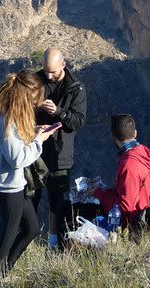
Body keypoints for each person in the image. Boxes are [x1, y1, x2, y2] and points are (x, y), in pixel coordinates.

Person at [0, 69, 60, 279]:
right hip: (7, 187)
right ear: (25, 96)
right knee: (5, 243)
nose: (35, 105)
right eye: (34, 100)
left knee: (32, 228)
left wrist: (34, 131)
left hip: (8, 184)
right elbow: (16, 158)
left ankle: (4, 272)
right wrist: (39, 141)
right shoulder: (7, 117)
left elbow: (12, 141)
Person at [32, 47, 87, 248]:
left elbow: (79, 121)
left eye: (53, 71)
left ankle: (54, 242)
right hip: (34, 152)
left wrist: (59, 112)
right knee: (30, 197)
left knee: (58, 201)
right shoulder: (35, 82)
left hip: (60, 154)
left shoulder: (75, 88)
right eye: (45, 70)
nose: (48, 75)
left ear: (63, 65)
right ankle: (27, 241)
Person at [86, 114, 150, 226]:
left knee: (68, 211)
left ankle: (57, 242)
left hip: (128, 223)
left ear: (114, 138)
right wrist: (103, 191)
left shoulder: (129, 164)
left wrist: (98, 193)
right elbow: (127, 191)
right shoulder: (143, 154)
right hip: (141, 214)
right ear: (135, 133)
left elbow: (125, 207)